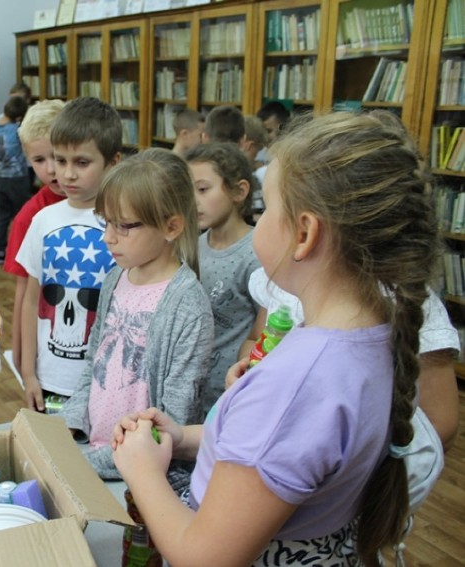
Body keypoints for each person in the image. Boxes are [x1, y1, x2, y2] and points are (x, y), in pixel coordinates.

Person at [112, 111, 441, 566]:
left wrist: (143, 470)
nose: (257, 223)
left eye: (264, 210)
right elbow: (292, 457)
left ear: (304, 234)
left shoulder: (295, 383)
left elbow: (203, 557)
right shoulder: (370, 337)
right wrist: (188, 438)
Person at [60, 148, 213, 491]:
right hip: (92, 450)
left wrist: (87, 463)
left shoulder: (188, 305)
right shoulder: (116, 277)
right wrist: (70, 425)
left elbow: (172, 421)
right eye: (106, 222)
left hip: (138, 474)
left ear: (171, 226)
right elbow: (94, 358)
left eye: (124, 226)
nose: (108, 237)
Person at [240, 266, 461, 453]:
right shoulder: (281, 282)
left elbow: (441, 425)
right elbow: (255, 341)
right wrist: (247, 376)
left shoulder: (411, 302)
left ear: (307, 229)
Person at [16, 96, 122, 412]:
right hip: (50, 379)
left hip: (108, 380)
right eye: (60, 161)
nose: (68, 174)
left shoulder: (125, 222)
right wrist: (28, 372)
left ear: (113, 162)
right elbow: (32, 300)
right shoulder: (42, 220)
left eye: (82, 163)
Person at [186, 142, 260, 412]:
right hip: (190, 388)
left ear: (239, 191)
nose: (193, 200)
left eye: (203, 189)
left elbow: (262, 334)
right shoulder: (193, 245)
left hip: (228, 393)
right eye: (188, 190)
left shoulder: (256, 253)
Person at [3, 99, 67, 374]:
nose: (51, 169)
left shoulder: (108, 202)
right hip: (51, 334)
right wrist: (20, 354)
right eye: (39, 160)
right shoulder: (28, 217)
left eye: (57, 156)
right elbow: (22, 292)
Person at [0, 95, 31, 265]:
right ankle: (20, 254)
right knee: (21, 218)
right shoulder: (18, 130)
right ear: (19, 117)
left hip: (1, 178)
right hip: (18, 178)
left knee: (2, 217)